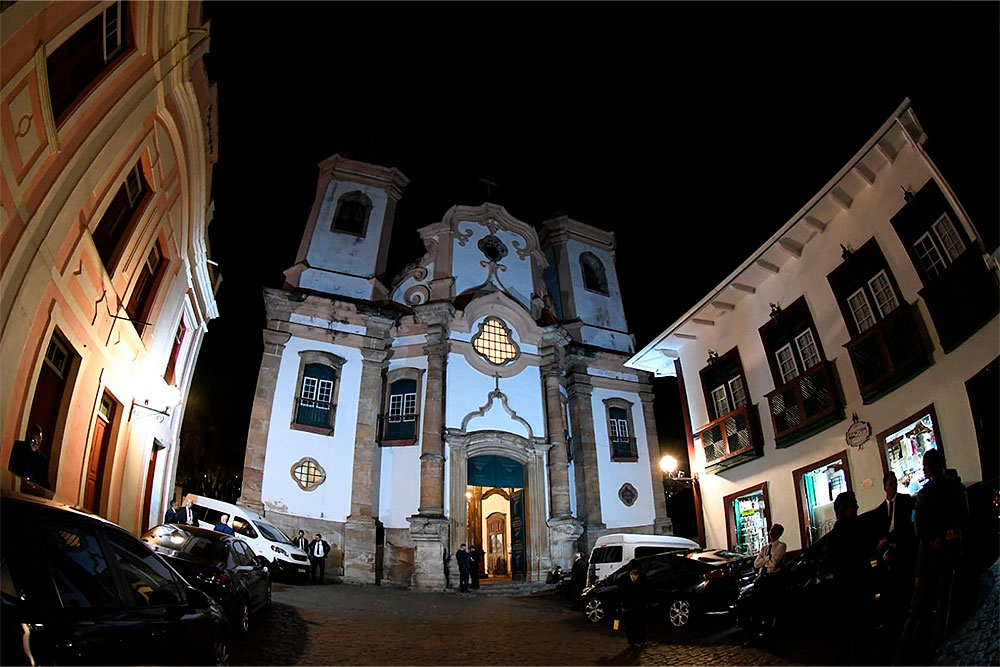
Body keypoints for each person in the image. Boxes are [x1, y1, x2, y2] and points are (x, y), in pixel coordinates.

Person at [895, 449, 968, 665]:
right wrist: (951, 532)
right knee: (943, 600)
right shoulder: (956, 487)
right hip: (949, 551)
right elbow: (964, 516)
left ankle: (900, 656)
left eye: (925, 465)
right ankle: (938, 646)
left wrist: (932, 538)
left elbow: (919, 528)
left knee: (916, 609)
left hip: (929, 557)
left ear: (929, 467)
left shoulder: (924, 494)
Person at [828, 491, 875, 665]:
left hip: (846, 592)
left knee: (847, 639)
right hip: (857, 591)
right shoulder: (853, 532)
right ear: (843, 510)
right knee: (859, 637)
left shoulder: (836, 536)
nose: (856, 508)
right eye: (852, 506)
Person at [875, 471, 916, 637]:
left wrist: (888, 540)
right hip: (889, 553)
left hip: (904, 549)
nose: (894, 486)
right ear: (885, 486)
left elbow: (908, 526)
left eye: (895, 483)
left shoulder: (905, 501)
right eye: (890, 483)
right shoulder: (880, 511)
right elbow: (879, 535)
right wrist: (885, 550)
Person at [744, 523, 787, 646]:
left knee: (769, 608)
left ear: (779, 533)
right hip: (761, 579)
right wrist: (767, 559)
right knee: (755, 608)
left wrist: (765, 561)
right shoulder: (765, 548)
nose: (770, 533)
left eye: (773, 531)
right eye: (770, 531)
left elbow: (774, 565)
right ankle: (753, 636)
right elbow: (756, 564)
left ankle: (768, 637)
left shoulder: (781, 546)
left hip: (772, 579)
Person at [7, 424, 50, 490]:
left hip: (34, 491)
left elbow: (44, 481)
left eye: (38, 443)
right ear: (29, 437)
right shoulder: (19, 447)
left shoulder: (42, 459)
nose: (35, 445)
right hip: (17, 487)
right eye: (33, 441)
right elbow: (12, 468)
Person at [616, 560, 647, 649]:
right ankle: (632, 642)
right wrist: (619, 606)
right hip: (628, 605)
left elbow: (645, 590)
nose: (634, 571)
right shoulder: (623, 578)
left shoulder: (642, 577)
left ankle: (641, 640)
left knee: (640, 624)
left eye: (636, 569)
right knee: (630, 625)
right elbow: (620, 593)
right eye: (633, 569)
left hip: (639, 605)